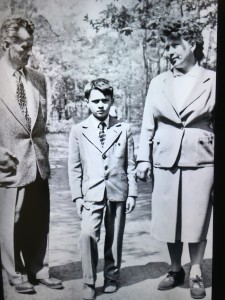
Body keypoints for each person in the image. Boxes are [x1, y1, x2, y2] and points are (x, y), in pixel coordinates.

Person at [136, 19, 215, 299]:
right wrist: (143, 159)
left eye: (174, 46)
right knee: (170, 217)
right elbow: (147, 124)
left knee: (197, 217)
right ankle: (174, 268)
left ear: (192, 45)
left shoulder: (213, 80)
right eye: (166, 47)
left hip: (202, 159)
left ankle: (195, 271)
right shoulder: (159, 82)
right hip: (165, 158)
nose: (168, 51)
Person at [0, 15, 63, 294]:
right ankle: (15, 272)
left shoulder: (38, 79)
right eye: (23, 46)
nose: (29, 51)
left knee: (38, 217)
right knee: (11, 220)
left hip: (37, 159)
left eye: (31, 46)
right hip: (8, 161)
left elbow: (41, 121)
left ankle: (39, 269)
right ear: (6, 43)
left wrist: (43, 151)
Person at [68, 78, 137, 300]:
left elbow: (131, 164)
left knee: (115, 236)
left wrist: (132, 193)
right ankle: (89, 281)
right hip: (91, 192)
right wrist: (77, 197)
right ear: (87, 102)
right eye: (95, 101)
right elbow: (75, 167)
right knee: (87, 234)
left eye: (105, 101)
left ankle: (111, 277)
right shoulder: (78, 131)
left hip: (118, 189)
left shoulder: (123, 128)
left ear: (111, 101)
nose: (100, 105)